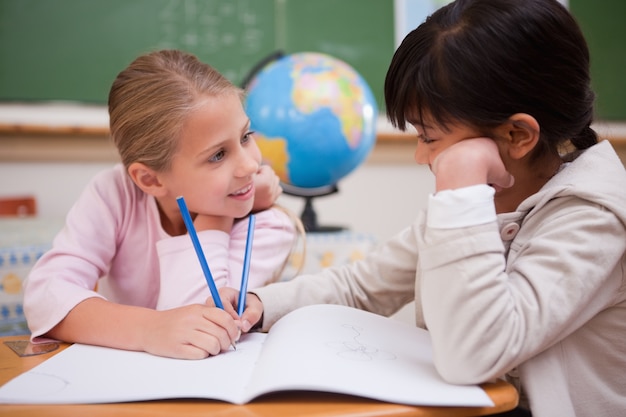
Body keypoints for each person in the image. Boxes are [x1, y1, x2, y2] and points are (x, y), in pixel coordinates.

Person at [218, 1, 626, 416]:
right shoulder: (475, 201)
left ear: (517, 135)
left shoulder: (593, 218)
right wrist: (261, 303)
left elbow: (476, 354)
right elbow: (362, 287)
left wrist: (462, 188)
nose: (419, 155)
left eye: (428, 137)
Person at [24, 49, 299, 360]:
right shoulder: (116, 194)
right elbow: (45, 296)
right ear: (150, 180)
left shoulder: (266, 224)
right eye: (218, 155)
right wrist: (149, 328)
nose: (250, 166)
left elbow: (200, 327)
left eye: (246, 136)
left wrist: (215, 214)